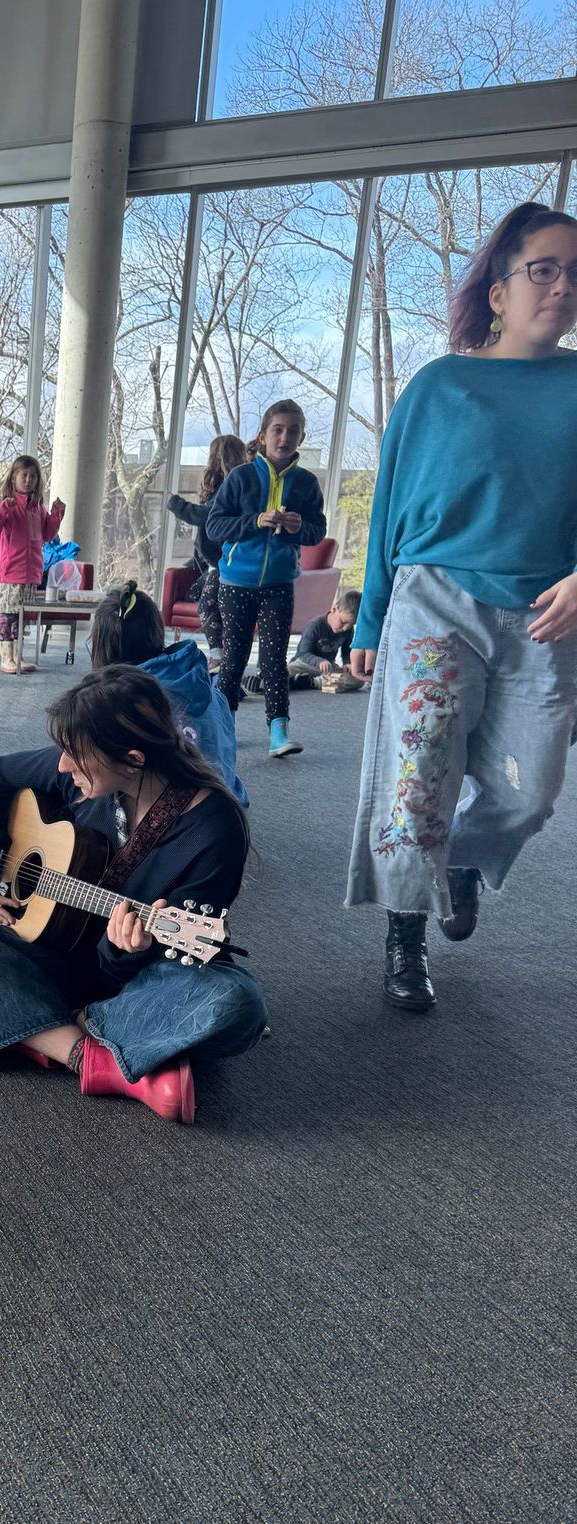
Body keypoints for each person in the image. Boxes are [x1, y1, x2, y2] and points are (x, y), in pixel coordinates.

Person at [345, 199, 577, 1014]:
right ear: (499, 289)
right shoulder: (439, 385)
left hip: (546, 610)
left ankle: (467, 865)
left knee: (534, 787)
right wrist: (370, 618)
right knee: (420, 778)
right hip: (434, 602)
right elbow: (390, 512)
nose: (561, 286)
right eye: (543, 269)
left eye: (575, 273)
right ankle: (404, 934)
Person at [0, 666, 267, 1125]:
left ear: (134, 759)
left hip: (131, 983)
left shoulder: (214, 830)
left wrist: (124, 951)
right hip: (53, 953)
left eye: (74, 756)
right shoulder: (89, 770)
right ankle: (92, 1056)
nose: (61, 766)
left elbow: (168, 962)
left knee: (237, 1003)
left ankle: (35, 1031)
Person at [207, 400, 327, 758]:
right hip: (236, 582)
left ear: (301, 437)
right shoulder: (240, 477)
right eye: (277, 429)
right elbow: (215, 526)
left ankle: (279, 731)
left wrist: (296, 529)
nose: (284, 437)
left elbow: (317, 532)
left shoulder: (306, 484)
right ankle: (222, 727)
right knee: (234, 659)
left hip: (278, 584)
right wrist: (256, 521)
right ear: (262, 436)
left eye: (293, 430)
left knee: (274, 659)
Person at [88, 579, 247, 806]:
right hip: (228, 808)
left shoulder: (124, 704)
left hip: (175, 818)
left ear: (101, 644)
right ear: (156, 630)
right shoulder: (214, 693)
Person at [166, 433, 247, 672]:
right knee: (195, 594)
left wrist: (176, 504)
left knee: (206, 605)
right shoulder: (234, 484)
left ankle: (218, 656)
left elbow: (206, 517)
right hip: (216, 562)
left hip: (224, 562)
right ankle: (224, 653)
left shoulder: (229, 486)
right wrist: (194, 563)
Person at [0, 455, 65, 675]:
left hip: (32, 573)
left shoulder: (37, 508)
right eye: (24, 475)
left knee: (22, 616)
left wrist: (56, 514)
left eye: (33, 476)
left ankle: (18, 656)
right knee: (8, 615)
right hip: (11, 573)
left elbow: (47, 534)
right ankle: (6, 656)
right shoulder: (8, 506)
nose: (28, 480)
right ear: (13, 478)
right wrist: (2, 510)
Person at [288, 591, 363, 691]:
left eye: (351, 625)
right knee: (284, 672)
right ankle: (295, 679)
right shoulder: (315, 626)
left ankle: (310, 682)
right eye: (343, 622)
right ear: (334, 609)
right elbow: (303, 653)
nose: (345, 628)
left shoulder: (348, 630)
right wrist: (319, 661)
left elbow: (346, 652)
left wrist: (348, 663)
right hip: (304, 664)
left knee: (358, 679)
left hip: (328, 667)